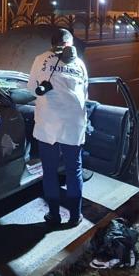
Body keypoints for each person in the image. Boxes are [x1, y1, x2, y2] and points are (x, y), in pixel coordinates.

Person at [28, 28, 89, 226]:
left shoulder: (41, 59)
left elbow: (31, 88)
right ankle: (74, 216)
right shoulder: (80, 64)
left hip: (48, 125)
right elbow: (85, 92)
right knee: (74, 170)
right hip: (74, 124)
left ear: (52, 43)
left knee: (50, 170)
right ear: (70, 44)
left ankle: (54, 215)